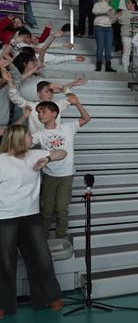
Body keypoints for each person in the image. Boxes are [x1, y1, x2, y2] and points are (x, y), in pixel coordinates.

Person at [0, 125, 66, 317]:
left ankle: (49, 297)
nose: (32, 138)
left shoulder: (34, 154)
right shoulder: (2, 161)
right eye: (29, 135)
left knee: (41, 258)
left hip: (31, 217)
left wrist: (47, 158)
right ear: (19, 138)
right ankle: (4, 304)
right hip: (5, 219)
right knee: (4, 263)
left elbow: (62, 152)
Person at [32, 97, 91, 239]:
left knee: (61, 208)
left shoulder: (67, 127)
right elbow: (24, 145)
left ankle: (61, 235)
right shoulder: (39, 134)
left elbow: (86, 118)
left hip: (66, 175)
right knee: (46, 210)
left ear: (54, 113)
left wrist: (77, 103)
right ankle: (42, 237)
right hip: (49, 176)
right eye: (39, 113)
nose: (40, 115)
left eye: (43, 111)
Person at [92, 0, 116, 72]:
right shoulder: (97, 4)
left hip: (109, 28)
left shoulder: (111, 8)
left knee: (108, 48)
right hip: (99, 26)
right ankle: (98, 66)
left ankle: (108, 67)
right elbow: (94, 11)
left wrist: (115, 17)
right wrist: (105, 12)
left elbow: (112, 21)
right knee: (100, 47)